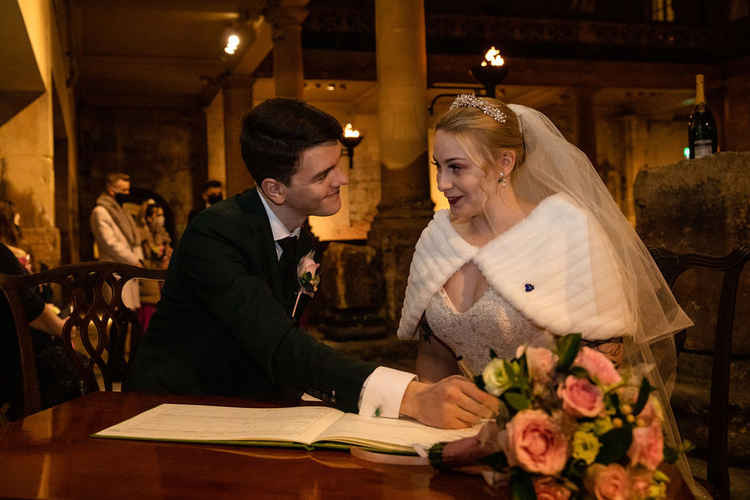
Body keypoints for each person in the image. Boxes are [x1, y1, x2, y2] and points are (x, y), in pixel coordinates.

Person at [397, 95, 704, 496]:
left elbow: (603, 371)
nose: (442, 184)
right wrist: (433, 418)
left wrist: (521, 437)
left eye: (457, 168)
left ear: (504, 164)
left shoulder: (565, 231)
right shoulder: (438, 239)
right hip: (464, 445)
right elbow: (435, 353)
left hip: (554, 444)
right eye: (439, 167)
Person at [128, 98, 499, 429]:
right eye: (323, 175)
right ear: (276, 188)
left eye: (336, 164)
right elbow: (279, 344)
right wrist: (410, 397)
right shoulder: (215, 235)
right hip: (180, 411)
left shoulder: (302, 236)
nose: (343, 179)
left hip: (256, 402)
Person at [0, 215, 97, 421]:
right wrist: (64, 328)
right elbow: (35, 313)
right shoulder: (2, 255)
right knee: (72, 365)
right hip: (11, 365)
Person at [90, 172, 143, 310]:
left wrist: (138, 260)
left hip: (129, 270)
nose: (128, 193)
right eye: (124, 190)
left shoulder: (122, 211)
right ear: (111, 190)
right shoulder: (100, 211)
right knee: (116, 313)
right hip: (115, 270)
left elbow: (132, 240)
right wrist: (133, 260)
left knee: (130, 314)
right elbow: (110, 244)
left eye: (128, 189)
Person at [137, 200, 172, 331]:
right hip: (148, 281)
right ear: (148, 218)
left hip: (160, 279)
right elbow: (143, 257)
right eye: (158, 215)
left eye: (162, 215)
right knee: (147, 319)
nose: (161, 219)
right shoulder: (141, 234)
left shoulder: (161, 233)